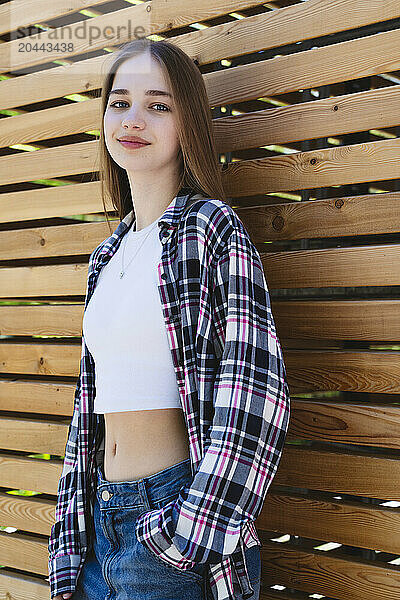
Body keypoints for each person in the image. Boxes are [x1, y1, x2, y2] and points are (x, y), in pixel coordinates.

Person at [48, 38, 290, 600]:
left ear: (188, 127)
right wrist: (72, 538)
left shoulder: (211, 231)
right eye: (119, 102)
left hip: (173, 523)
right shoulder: (107, 256)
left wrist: (182, 536)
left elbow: (258, 397)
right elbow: (89, 410)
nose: (132, 119)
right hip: (99, 521)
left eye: (158, 105)